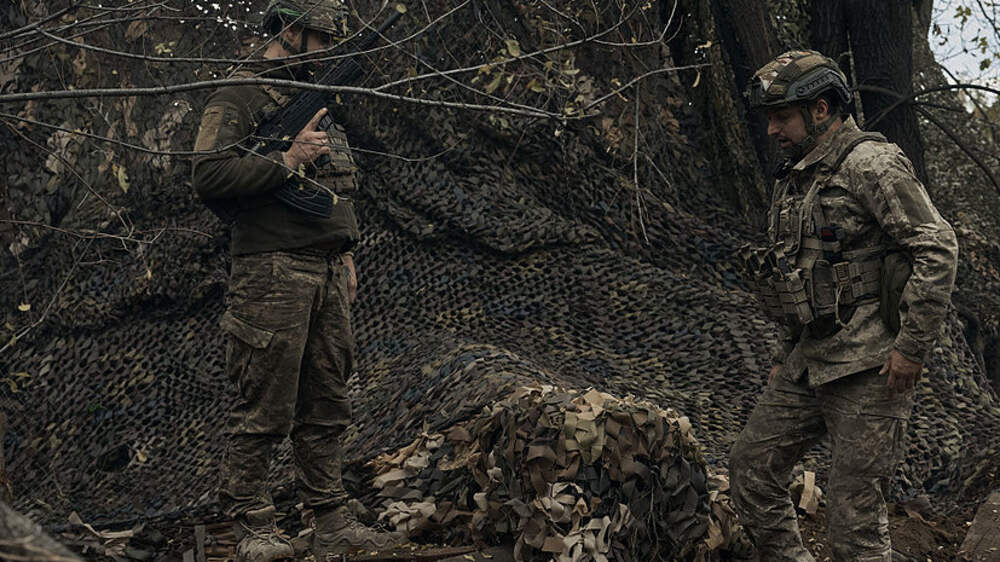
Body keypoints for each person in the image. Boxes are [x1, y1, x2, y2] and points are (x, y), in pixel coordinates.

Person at [191, 1, 406, 560]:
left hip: (327, 268)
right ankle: (249, 525)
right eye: (322, 38)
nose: (329, 50)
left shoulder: (310, 94)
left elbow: (335, 184)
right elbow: (208, 173)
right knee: (266, 404)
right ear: (290, 31)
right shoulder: (240, 95)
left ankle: (330, 521)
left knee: (327, 402)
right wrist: (286, 158)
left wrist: (346, 252)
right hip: (272, 271)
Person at [731, 50, 958, 561]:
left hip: (871, 367)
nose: (772, 130)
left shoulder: (871, 164)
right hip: (810, 359)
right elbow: (799, 273)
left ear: (821, 109)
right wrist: (785, 354)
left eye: (781, 116)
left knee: (854, 525)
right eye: (770, 118)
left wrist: (912, 348)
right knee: (751, 471)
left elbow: (937, 247)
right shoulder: (796, 177)